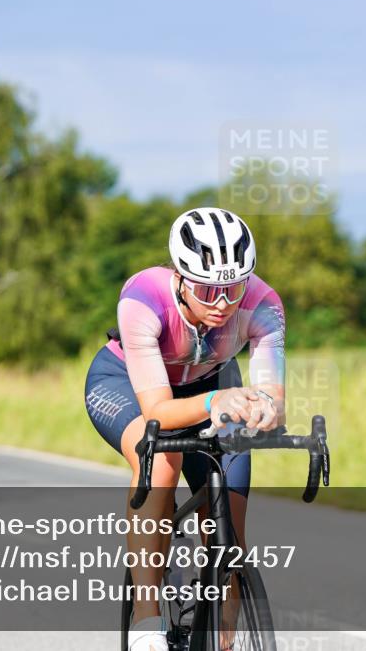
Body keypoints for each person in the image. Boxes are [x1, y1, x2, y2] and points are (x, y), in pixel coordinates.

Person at [84, 207, 286, 651]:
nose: (221, 303)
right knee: (159, 458)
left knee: (228, 518)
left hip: (212, 384)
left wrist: (266, 411)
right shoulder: (143, 297)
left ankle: (225, 629)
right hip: (127, 383)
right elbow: (157, 410)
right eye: (207, 288)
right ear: (179, 276)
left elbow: (272, 392)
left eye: (233, 288)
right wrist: (217, 402)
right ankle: (146, 618)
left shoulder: (264, 304)